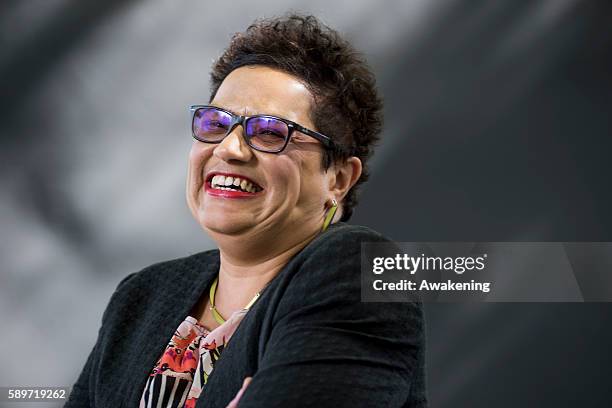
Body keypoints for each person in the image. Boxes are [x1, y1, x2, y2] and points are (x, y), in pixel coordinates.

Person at [66, 13, 427, 408]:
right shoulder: (140, 297)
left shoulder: (360, 273)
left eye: (270, 132)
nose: (228, 149)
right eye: (216, 123)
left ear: (338, 178)